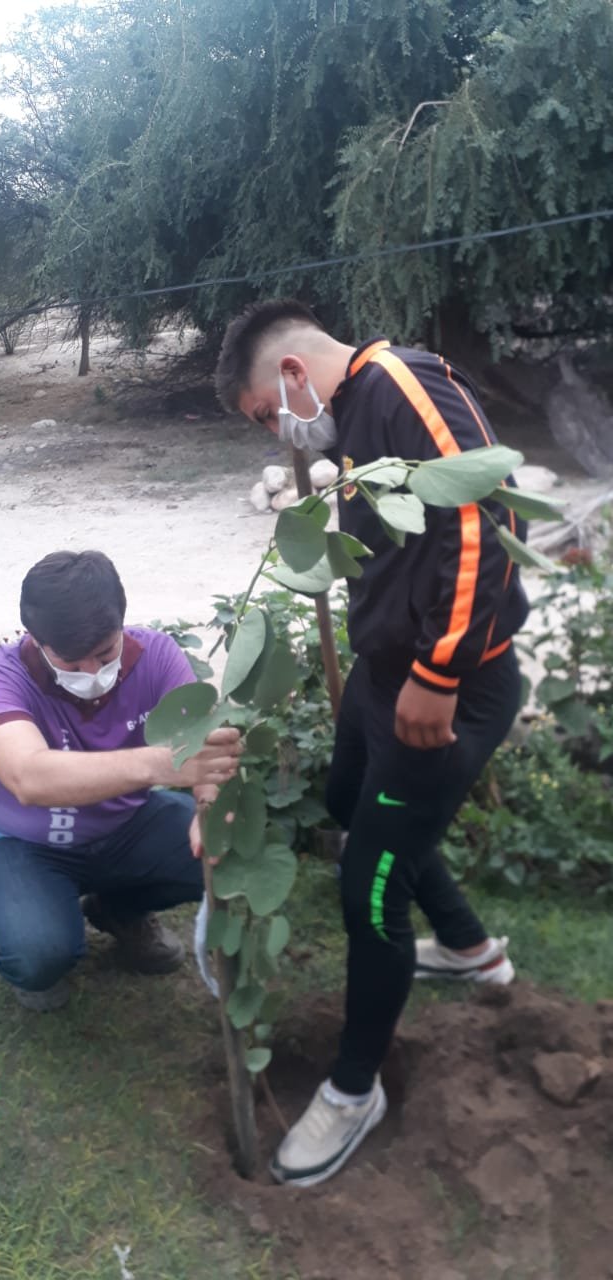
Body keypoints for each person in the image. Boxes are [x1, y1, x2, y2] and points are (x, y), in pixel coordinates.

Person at [215, 300, 527, 1188]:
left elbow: (478, 516)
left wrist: (439, 673)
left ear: (288, 377)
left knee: (371, 895)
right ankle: (470, 949)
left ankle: (355, 1091)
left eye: (266, 416)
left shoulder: (399, 384)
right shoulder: (354, 414)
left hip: (444, 688)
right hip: (384, 676)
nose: (279, 432)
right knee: (349, 806)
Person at [0, 550, 241, 1012]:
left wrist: (209, 808)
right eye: (71, 663)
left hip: (124, 828)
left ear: (121, 625)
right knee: (39, 954)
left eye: (104, 654)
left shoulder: (158, 658)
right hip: (18, 842)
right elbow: (29, 777)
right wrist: (159, 765)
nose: (92, 674)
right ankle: (35, 942)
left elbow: (207, 749)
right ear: (36, 639)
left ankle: (118, 911)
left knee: (225, 853)